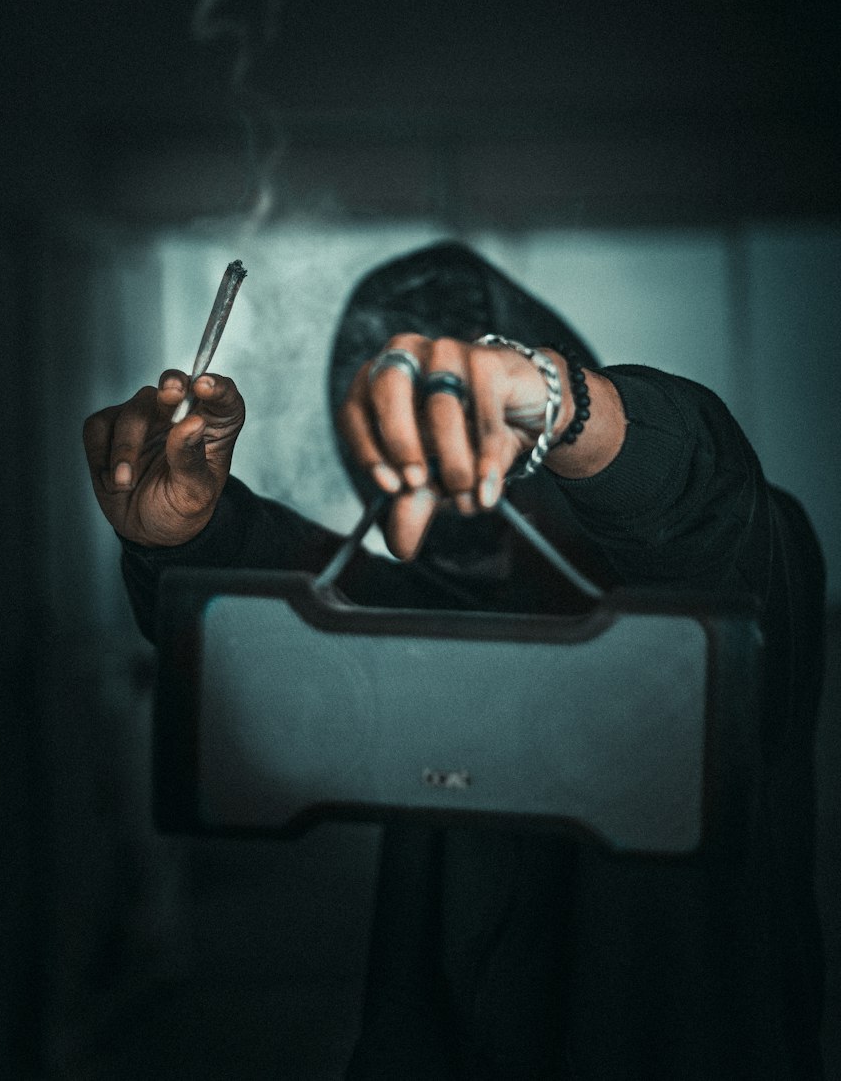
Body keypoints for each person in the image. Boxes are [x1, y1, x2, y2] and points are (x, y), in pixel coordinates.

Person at [83, 240, 825, 1080]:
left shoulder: (740, 560)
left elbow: (699, 497)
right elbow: (282, 603)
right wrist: (190, 534)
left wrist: (558, 403)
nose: (436, 487)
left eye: (447, 419)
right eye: (391, 446)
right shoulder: (435, 611)